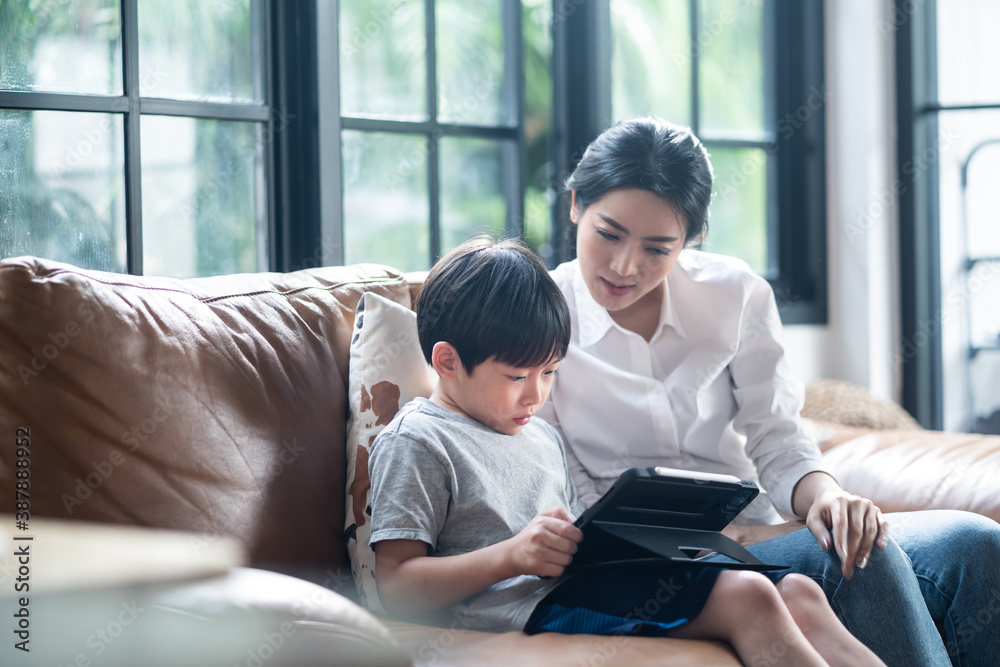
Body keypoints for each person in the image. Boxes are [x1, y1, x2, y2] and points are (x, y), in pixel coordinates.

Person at [537, 116, 1000, 666]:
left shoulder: (735, 295)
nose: (624, 266)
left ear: (691, 239)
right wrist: (707, 541)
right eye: (608, 234)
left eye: (658, 248)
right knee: (857, 559)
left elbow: (779, 437)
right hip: (640, 563)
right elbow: (555, 475)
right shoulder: (541, 315)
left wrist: (825, 496)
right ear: (574, 205)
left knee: (975, 545)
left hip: (760, 532)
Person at [368, 237, 886, 667]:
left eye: (550, 373)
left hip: (589, 584)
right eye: (517, 377)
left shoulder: (538, 434)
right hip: (530, 606)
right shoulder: (418, 440)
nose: (537, 395)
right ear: (448, 360)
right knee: (748, 597)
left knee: (801, 593)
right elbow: (397, 584)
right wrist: (510, 556)